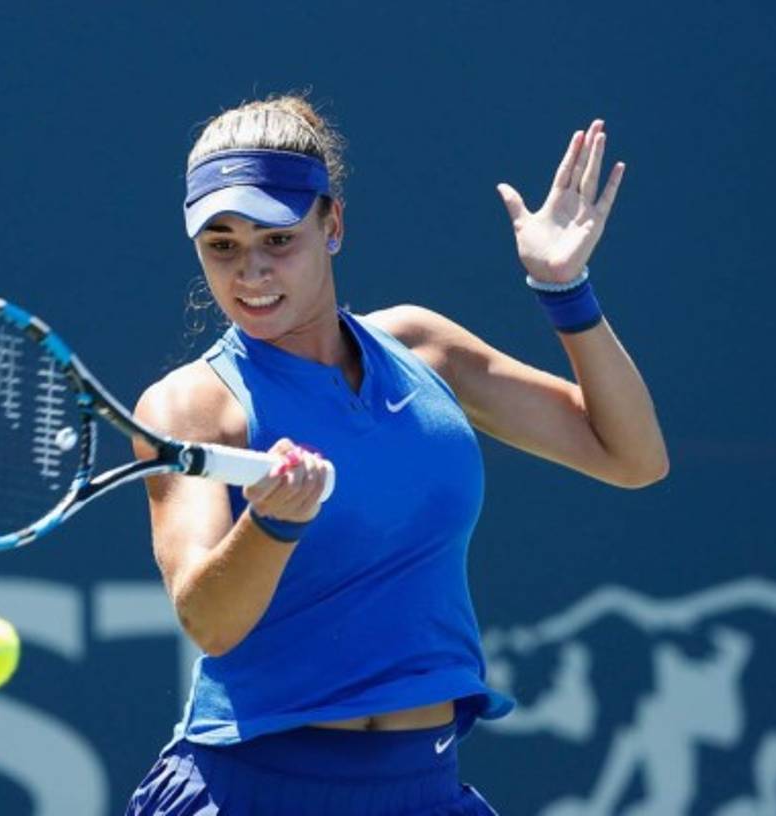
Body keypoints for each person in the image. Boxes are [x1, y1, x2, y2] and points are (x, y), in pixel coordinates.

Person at [125, 94, 668, 815]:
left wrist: (564, 290)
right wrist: (273, 524)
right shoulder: (190, 406)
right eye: (222, 245)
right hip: (253, 791)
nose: (250, 271)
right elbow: (208, 622)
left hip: (423, 788)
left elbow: (632, 457)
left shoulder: (424, 347)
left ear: (333, 225)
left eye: (278, 239)